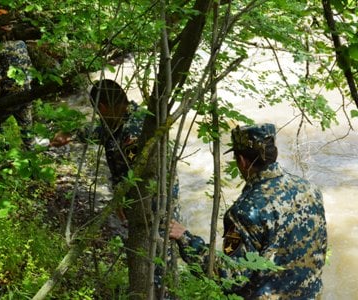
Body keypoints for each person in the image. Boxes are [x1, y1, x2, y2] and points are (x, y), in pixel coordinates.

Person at [51, 79, 180, 296]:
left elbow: (137, 174)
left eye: (98, 112)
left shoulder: (134, 132)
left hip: (154, 199)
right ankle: (148, 290)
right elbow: (103, 133)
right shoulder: (120, 118)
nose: (99, 117)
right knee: (144, 251)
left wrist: (122, 198)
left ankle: (162, 293)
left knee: (158, 251)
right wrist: (70, 134)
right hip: (140, 196)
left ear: (102, 108)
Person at [169, 123, 327, 299]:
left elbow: (230, 276)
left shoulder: (244, 211)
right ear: (274, 153)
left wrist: (186, 239)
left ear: (243, 162)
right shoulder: (311, 190)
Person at [0, 40, 34, 148]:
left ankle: (4, 151)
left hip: (10, 94)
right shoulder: (21, 43)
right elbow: (29, 67)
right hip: (26, 91)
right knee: (26, 127)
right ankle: (31, 154)